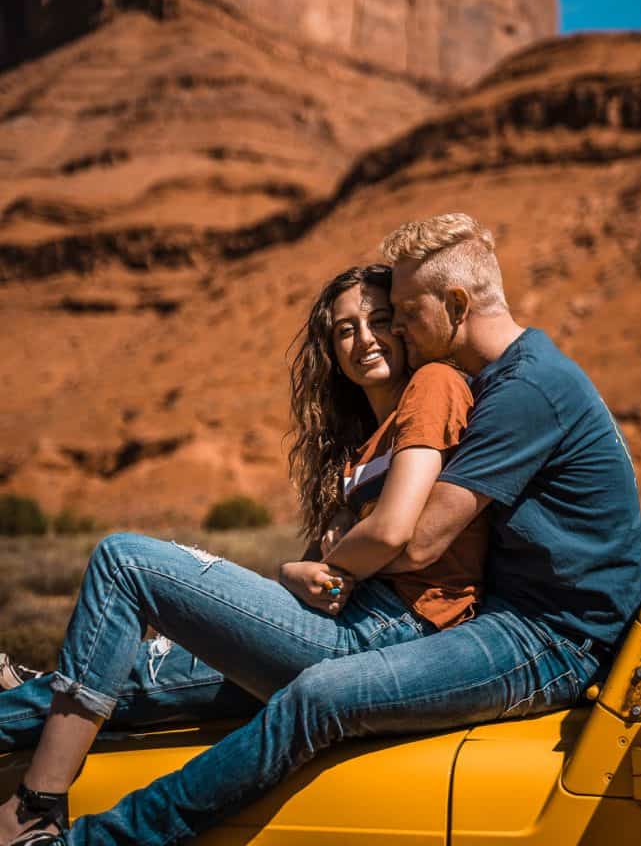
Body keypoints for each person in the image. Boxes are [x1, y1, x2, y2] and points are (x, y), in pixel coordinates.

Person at [1, 211, 641, 846]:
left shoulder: (521, 388)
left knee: (319, 693)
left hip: (553, 639)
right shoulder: (502, 379)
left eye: (400, 309)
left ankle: (94, 836)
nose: (393, 326)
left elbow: (418, 539)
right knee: (154, 675)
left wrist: (332, 563)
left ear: (454, 302)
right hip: (508, 618)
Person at [0, 262, 488, 846]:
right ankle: (25, 694)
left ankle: (36, 806)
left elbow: (391, 535)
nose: (366, 339)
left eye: (380, 320)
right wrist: (294, 569)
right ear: (331, 351)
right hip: (341, 624)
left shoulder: (434, 385)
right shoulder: (363, 448)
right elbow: (315, 566)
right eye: (346, 330)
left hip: (385, 637)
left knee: (125, 562)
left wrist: (333, 561)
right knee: (140, 674)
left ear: (406, 328)